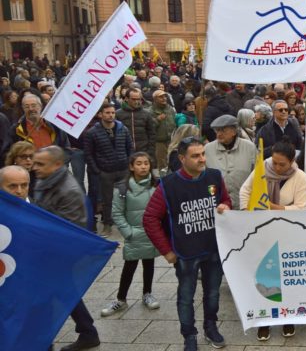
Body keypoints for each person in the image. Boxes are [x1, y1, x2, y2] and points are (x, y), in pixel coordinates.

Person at [143, 137, 231, 350]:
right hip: (185, 252)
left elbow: (226, 201)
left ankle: (211, 327)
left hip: (212, 248)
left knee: (212, 293)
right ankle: (189, 336)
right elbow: (150, 218)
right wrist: (167, 251)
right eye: (195, 156)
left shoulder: (214, 176)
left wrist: (224, 206)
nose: (202, 159)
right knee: (186, 297)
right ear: (182, 159)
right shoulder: (168, 185)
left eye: (203, 154)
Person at [32, 146, 100, 350]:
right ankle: (88, 332)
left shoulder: (68, 190)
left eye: (40, 164)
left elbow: (69, 229)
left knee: (46, 296)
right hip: (47, 250)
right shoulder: (45, 180)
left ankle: (46, 341)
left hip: (59, 253)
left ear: (57, 165)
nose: (35, 167)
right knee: (64, 291)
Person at [239, 141, 306, 340]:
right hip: (262, 231)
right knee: (265, 277)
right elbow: (246, 191)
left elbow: (301, 208)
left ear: (292, 162)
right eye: (275, 163)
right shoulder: (262, 169)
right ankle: (265, 320)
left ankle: (288, 317)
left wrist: (273, 208)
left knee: (287, 276)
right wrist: (247, 212)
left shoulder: (300, 178)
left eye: (282, 165)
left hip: (288, 232)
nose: (277, 168)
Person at [101, 152, 161, 317]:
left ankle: (147, 293)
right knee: (130, 265)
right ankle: (121, 299)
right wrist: (128, 232)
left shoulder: (157, 185)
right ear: (131, 166)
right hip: (134, 233)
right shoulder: (122, 188)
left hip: (151, 232)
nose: (143, 167)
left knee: (149, 262)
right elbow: (117, 213)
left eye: (146, 163)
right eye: (139, 163)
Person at [83, 103, 133, 237]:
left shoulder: (123, 129)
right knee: (107, 200)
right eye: (107, 113)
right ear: (100, 115)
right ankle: (107, 224)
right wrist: (97, 170)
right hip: (105, 171)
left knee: (126, 197)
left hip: (123, 169)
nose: (111, 115)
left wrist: (130, 164)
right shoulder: (92, 133)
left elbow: (130, 148)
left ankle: (126, 223)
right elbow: (89, 154)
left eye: (112, 113)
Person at [204, 115, 256, 210]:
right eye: (217, 130)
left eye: (223, 130)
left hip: (244, 206)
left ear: (234, 131)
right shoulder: (208, 149)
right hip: (219, 207)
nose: (219, 134)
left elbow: (256, 174)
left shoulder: (250, 147)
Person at [117, 87, 156, 164]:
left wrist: (150, 151)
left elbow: (152, 134)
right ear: (126, 99)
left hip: (143, 151)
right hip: (124, 152)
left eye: (138, 99)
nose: (136, 101)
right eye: (133, 99)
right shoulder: (118, 114)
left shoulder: (146, 114)